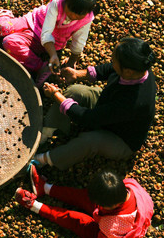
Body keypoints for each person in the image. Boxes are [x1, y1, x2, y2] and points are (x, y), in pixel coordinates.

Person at [34, 37, 157, 170]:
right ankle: (50, 130)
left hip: (121, 137)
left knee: (89, 141)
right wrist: (77, 74)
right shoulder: (139, 67)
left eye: (114, 60)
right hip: (109, 105)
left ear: (127, 71)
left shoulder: (133, 102)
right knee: (76, 91)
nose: (111, 62)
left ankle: (44, 159)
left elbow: (87, 118)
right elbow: (109, 69)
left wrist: (55, 94)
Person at [15, 165, 154, 238]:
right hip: (127, 218)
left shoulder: (111, 227)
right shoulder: (130, 186)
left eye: (100, 206)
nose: (97, 207)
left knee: (76, 219)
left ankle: (33, 205)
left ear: (112, 206)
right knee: (83, 196)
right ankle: (44, 187)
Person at [0, 0, 102, 87]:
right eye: (70, 10)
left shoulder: (87, 19)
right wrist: (53, 55)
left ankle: (41, 66)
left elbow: (79, 42)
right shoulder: (57, 2)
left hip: (51, 43)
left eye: (78, 14)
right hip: (33, 22)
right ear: (66, 0)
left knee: (8, 42)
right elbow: (46, 32)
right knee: (1, 28)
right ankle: (4, 15)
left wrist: (71, 63)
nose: (72, 15)